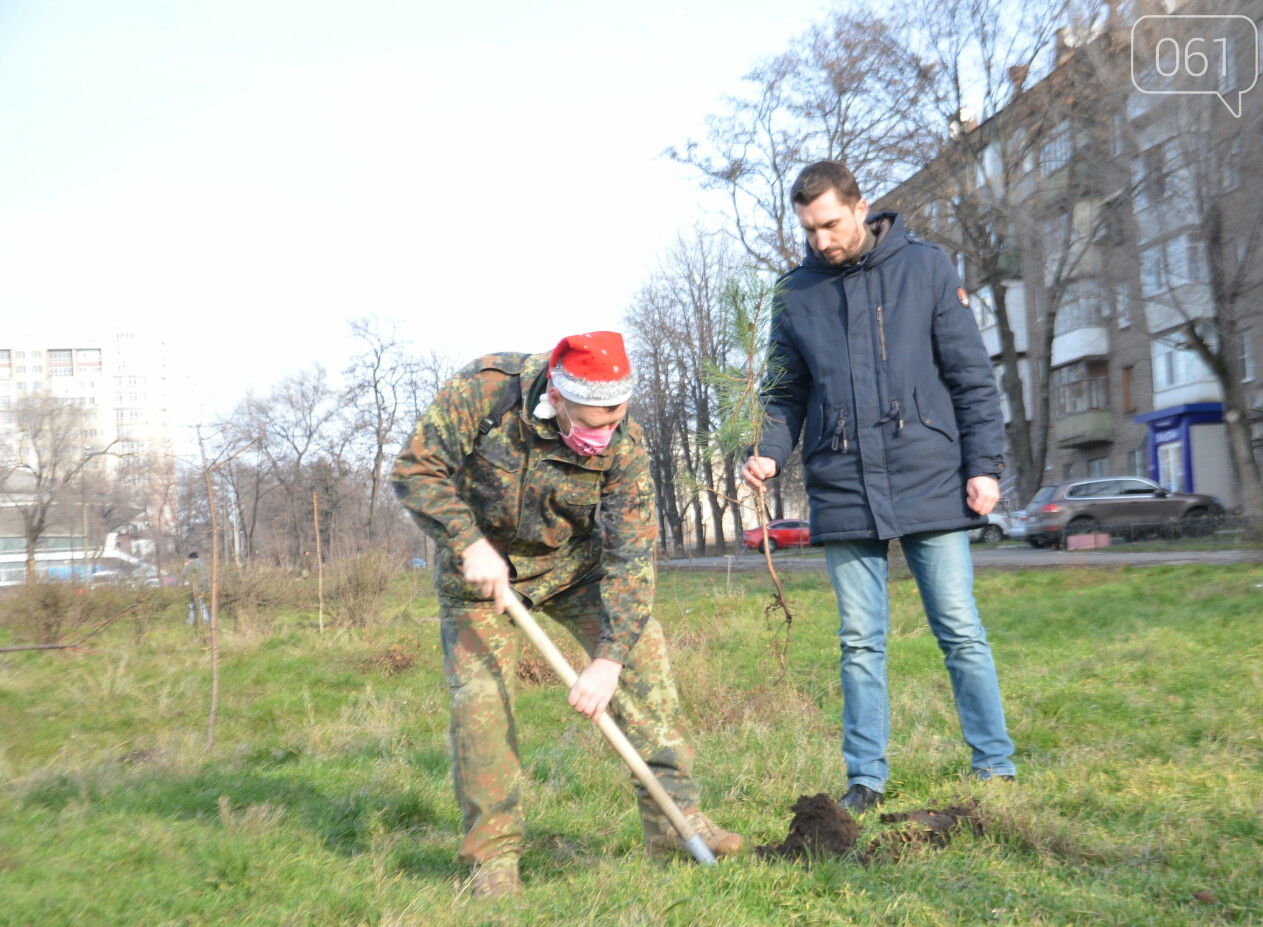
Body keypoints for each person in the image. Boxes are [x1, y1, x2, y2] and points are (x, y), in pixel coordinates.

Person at [392, 331, 741, 899]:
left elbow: (631, 561)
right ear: (556, 393)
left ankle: (677, 824)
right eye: (592, 422)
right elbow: (416, 470)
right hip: (480, 575)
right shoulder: (487, 393)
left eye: (615, 417)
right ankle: (494, 858)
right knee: (480, 703)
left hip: (571, 570)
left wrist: (608, 661)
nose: (603, 435)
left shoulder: (625, 448)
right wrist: (468, 542)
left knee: (642, 658)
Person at [741, 161, 1016, 813]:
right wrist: (771, 454)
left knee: (958, 626)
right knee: (860, 639)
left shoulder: (925, 268)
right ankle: (864, 778)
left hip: (929, 472)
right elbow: (784, 391)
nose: (821, 241)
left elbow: (972, 377)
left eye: (831, 224)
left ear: (861, 208)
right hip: (842, 482)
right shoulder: (796, 293)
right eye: (809, 230)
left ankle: (995, 764)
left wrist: (985, 465)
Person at [182, 551, 210, 625]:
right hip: (204, 587)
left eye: (189, 559)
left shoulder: (193, 565)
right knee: (195, 603)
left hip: (196, 588)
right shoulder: (203, 564)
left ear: (192, 558)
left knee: (198, 604)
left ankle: (204, 620)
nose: (189, 561)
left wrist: (185, 566)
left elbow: (185, 574)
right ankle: (193, 620)